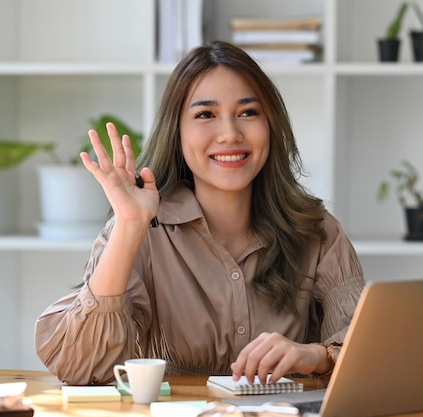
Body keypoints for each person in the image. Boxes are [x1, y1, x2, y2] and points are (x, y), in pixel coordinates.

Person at [34, 40, 365, 386]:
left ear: (271, 125)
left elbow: (372, 357)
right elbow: (79, 367)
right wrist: (130, 225)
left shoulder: (316, 230)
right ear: (176, 132)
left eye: (248, 112)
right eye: (205, 114)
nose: (230, 134)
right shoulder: (142, 228)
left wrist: (315, 355)